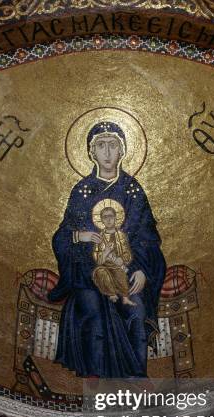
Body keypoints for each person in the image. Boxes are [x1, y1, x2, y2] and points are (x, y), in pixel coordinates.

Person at [48, 121, 166, 377]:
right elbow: (61, 237)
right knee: (93, 315)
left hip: (125, 274)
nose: (108, 152)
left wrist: (143, 271)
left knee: (136, 310)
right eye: (101, 146)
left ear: (123, 150)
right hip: (89, 276)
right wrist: (79, 236)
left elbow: (147, 239)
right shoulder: (82, 191)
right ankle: (98, 383)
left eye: (113, 145)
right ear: (91, 153)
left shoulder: (133, 191)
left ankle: (136, 379)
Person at [92, 205, 136, 307]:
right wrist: (106, 252)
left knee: (120, 273)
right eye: (105, 217)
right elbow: (97, 259)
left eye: (111, 216)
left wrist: (122, 259)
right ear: (102, 220)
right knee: (100, 272)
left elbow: (127, 253)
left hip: (118, 266)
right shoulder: (99, 238)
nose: (108, 219)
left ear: (115, 218)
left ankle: (125, 298)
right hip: (104, 266)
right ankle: (111, 293)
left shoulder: (120, 235)